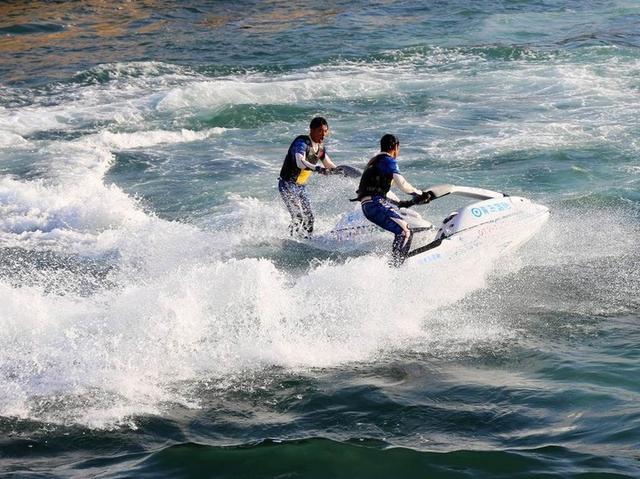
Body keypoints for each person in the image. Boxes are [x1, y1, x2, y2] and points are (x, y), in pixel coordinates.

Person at [354, 134, 432, 266]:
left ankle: (397, 260)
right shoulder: (388, 161)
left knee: (401, 230)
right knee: (405, 231)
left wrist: (400, 203)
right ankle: (397, 267)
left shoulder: (374, 161)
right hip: (375, 204)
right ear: (395, 147)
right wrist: (421, 194)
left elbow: (381, 190)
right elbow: (402, 184)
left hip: (368, 205)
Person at [278, 116, 337, 238]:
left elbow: (329, 165)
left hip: (301, 188)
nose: (323, 134)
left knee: (309, 218)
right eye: (320, 131)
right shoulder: (301, 143)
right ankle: (290, 240)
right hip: (288, 185)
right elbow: (300, 162)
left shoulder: (320, 148)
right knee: (298, 217)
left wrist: (342, 172)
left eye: (325, 131)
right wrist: (318, 169)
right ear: (311, 130)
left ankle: (306, 241)